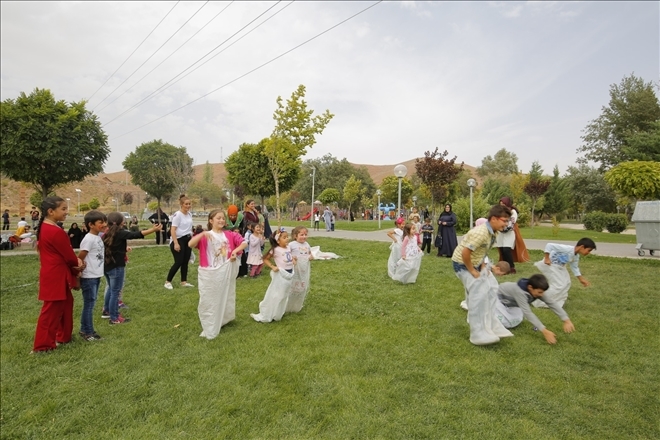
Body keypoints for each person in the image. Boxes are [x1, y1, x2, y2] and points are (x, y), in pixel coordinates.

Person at [451, 204, 513, 345]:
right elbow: (465, 253)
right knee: (478, 297)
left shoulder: (494, 231)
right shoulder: (480, 233)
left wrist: (483, 265)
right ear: (494, 219)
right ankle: (477, 334)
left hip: (477, 263)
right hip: (463, 265)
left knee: (491, 290)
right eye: (504, 220)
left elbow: (483, 249)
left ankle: (491, 325)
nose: (506, 224)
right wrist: (472, 270)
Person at [32, 197, 84, 353]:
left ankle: (64, 336)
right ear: (50, 211)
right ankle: (42, 346)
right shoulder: (55, 231)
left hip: (53, 272)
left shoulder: (45, 228)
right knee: (51, 311)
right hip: (56, 275)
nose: (66, 212)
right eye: (63, 209)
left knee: (67, 304)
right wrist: (78, 265)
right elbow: (69, 257)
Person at [189, 209, 247, 339]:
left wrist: (234, 251)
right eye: (218, 218)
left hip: (225, 272)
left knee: (225, 295)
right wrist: (202, 234)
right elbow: (190, 244)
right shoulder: (206, 235)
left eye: (223, 218)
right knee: (209, 298)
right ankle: (210, 323)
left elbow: (244, 242)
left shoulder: (230, 234)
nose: (221, 220)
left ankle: (223, 319)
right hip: (210, 272)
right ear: (211, 221)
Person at [103, 212, 161, 324]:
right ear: (121, 222)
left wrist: (124, 249)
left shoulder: (106, 232)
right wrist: (153, 230)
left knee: (111, 289)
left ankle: (106, 311)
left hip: (107, 266)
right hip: (116, 267)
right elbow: (136, 234)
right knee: (115, 291)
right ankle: (114, 318)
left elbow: (113, 247)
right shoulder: (120, 232)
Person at [496, 274, 575, 345]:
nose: (542, 295)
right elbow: (527, 312)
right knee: (502, 322)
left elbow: (551, 302)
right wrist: (544, 331)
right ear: (530, 287)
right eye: (540, 292)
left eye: (542, 292)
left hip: (511, 304)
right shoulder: (519, 292)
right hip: (495, 299)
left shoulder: (536, 290)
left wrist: (566, 320)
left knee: (515, 321)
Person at [532, 238, 596, 308]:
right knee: (559, 285)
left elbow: (575, 268)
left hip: (560, 267)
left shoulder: (576, 256)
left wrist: (581, 279)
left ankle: (556, 302)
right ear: (582, 247)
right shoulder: (567, 248)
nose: (589, 252)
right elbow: (549, 245)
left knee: (567, 283)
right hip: (549, 265)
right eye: (589, 250)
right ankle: (538, 301)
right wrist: (547, 258)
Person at [250, 228, 296, 323]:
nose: (287, 239)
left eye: (287, 237)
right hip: (281, 275)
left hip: (289, 274)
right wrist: (272, 266)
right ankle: (269, 310)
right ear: (278, 240)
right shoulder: (275, 250)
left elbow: (288, 258)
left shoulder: (288, 248)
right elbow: (265, 259)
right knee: (277, 294)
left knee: (284, 294)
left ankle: (278, 312)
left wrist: (293, 260)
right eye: (284, 237)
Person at [77, 210, 107, 341]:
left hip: (96, 274)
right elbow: (80, 257)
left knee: (91, 303)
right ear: (91, 225)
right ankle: (88, 332)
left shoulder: (98, 237)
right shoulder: (88, 239)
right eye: (101, 222)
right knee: (89, 304)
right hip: (89, 276)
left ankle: (85, 329)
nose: (104, 224)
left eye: (105, 221)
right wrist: (79, 271)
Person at [165, 195, 194, 290]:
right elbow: (173, 230)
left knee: (185, 262)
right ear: (181, 204)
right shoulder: (178, 215)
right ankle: (168, 281)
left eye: (189, 204)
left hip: (187, 239)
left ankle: (184, 281)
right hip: (179, 239)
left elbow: (189, 228)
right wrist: (176, 243)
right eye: (186, 204)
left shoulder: (189, 214)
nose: (188, 206)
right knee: (178, 262)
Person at [495, 197, 526, 273]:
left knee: (507, 250)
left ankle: (511, 267)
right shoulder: (499, 212)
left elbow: (511, 223)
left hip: (509, 234)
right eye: (501, 204)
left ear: (507, 203)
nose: (502, 205)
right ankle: (504, 268)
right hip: (500, 234)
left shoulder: (513, 212)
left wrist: (501, 229)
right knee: (502, 251)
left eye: (503, 204)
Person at [287, 226, 314, 312]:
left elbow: (309, 253)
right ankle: (287, 305)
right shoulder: (292, 245)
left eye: (305, 234)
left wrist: (311, 256)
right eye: (301, 234)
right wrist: (292, 258)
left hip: (303, 270)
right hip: (294, 269)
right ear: (295, 236)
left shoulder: (307, 244)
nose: (304, 237)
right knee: (292, 287)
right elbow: (286, 254)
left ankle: (297, 306)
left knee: (301, 287)